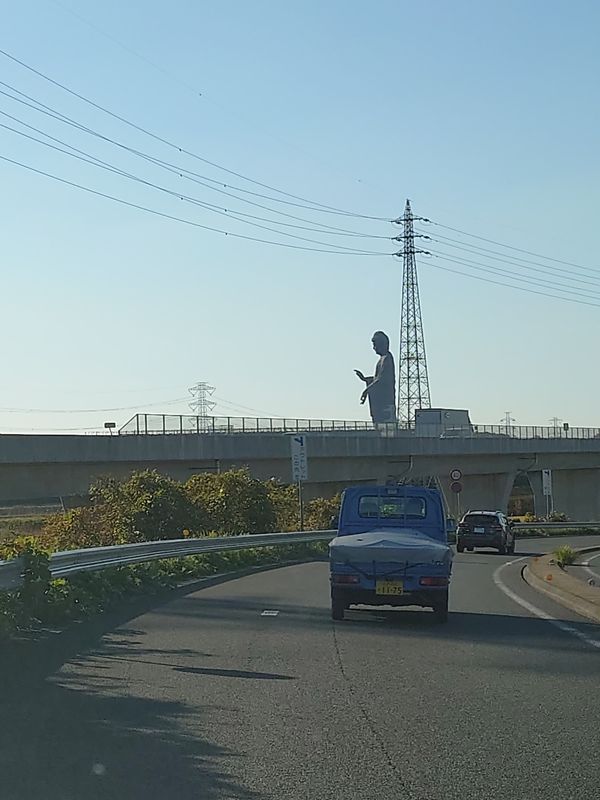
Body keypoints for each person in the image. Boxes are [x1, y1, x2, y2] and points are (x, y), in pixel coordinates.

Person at [355, 331, 397, 424]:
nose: (374, 348)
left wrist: (367, 390)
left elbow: (381, 379)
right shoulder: (381, 360)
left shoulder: (387, 358)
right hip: (381, 404)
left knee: (385, 427)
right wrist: (365, 379)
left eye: (375, 345)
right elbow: (377, 378)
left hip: (386, 403)